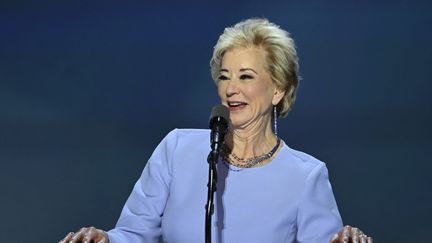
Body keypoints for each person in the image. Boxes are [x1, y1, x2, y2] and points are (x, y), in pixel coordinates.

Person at [60, 18, 372, 243]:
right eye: (224, 77)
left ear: (278, 89)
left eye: (246, 77)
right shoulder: (177, 150)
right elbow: (133, 234)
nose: (231, 89)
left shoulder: (306, 176)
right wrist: (104, 241)